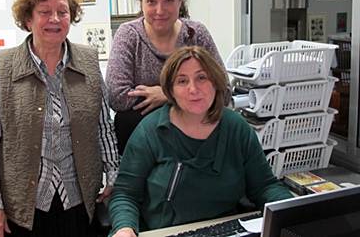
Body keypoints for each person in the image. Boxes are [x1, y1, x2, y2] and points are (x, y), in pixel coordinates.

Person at [0, 0, 120, 237]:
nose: (54, 19)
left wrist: (114, 175)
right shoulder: (4, 68)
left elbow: (103, 128)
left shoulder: (88, 63)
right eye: (44, 12)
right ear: (28, 19)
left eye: (62, 12)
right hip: (24, 205)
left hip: (79, 197)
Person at [108, 46, 293, 237]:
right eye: (182, 81)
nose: (193, 89)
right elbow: (125, 194)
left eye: (201, 78)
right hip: (166, 231)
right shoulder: (150, 131)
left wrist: (293, 216)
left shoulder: (236, 128)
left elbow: (265, 186)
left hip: (226, 229)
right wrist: (124, 228)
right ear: (170, 90)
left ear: (215, 82)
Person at [105, 0, 232, 154]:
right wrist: (188, 98)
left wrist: (166, 94)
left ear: (181, 1)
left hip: (198, 140)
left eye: (169, 0)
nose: (160, 10)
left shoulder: (196, 34)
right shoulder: (128, 35)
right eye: (151, 1)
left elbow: (224, 92)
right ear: (141, 3)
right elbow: (116, 97)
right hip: (143, 143)